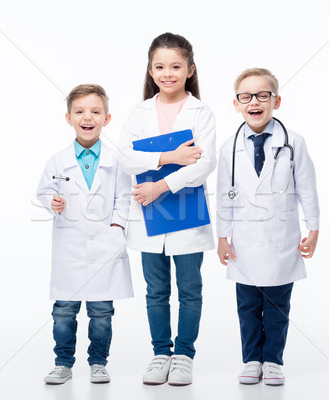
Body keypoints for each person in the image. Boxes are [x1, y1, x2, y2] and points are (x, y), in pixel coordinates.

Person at [118, 32, 216, 386]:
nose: (167, 73)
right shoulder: (138, 112)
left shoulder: (201, 112)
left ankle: (184, 355)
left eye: (175, 66)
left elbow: (205, 164)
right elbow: (125, 158)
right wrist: (171, 157)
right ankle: (161, 352)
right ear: (150, 69)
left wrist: (160, 184)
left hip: (186, 213)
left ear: (190, 70)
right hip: (148, 217)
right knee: (156, 290)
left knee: (190, 289)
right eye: (159, 66)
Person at [215, 68, 320, 386]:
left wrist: (313, 229)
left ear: (276, 100)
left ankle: (273, 360)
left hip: (280, 240)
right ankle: (251, 360)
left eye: (263, 95)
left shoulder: (294, 143)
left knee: (277, 307)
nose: (254, 102)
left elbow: (307, 189)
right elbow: (224, 195)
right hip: (243, 242)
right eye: (246, 96)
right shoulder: (228, 149)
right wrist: (222, 235)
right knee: (247, 306)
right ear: (236, 104)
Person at [36, 84, 133, 385]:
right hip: (70, 248)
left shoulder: (118, 160)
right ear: (68, 118)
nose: (87, 117)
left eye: (95, 111)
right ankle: (63, 362)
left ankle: (98, 362)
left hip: (106, 245)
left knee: (102, 311)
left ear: (107, 118)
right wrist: (52, 202)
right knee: (64, 310)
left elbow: (125, 197)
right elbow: (44, 191)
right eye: (79, 111)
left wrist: (117, 228)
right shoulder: (57, 160)